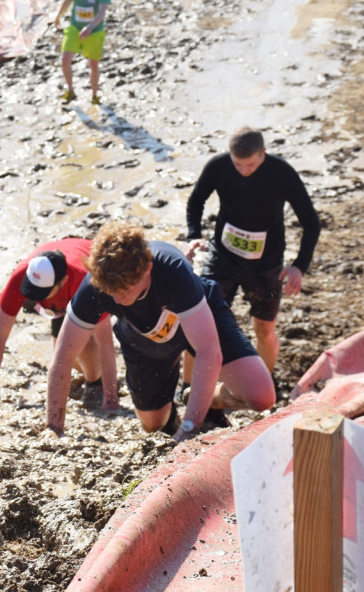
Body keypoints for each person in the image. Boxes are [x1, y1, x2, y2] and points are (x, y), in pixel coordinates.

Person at [45, 222, 275, 442]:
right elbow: (63, 356)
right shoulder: (95, 285)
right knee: (152, 424)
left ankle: (209, 401)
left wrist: (190, 426)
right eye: (111, 292)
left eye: (125, 291)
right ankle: (179, 409)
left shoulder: (172, 270)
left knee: (261, 397)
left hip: (199, 319)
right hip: (145, 335)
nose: (117, 300)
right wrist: (53, 427)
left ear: (148, 269)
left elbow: (208, 350)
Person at [185, 127, 321, 382]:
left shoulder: (281, 173)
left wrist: (299, 266)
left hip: (266, 264)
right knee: (200, 321)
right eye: (238, 164)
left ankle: (265, 383)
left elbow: (311, 223)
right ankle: (188, 386)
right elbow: (195, 201)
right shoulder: (218, 166)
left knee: (264, 328)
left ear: (263, 154)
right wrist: (194, 235)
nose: (243, 171)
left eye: (250, 165)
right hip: (222, 256)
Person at [0, 239, 117, 411]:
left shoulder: (84, 283)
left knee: (80, 343)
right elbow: (0, 334)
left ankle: (94, 384)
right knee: (62, 353)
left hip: (99, 275)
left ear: (63, 281)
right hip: (60, 292)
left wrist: (110, 397)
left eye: (42, 293)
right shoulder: (20, 277)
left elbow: (105, 341)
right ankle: (90, 374)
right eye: (33, 292)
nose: (37, 298)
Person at [54, 0, 111, 105]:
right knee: (65, 58)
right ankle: (71, 90)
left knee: (93, 64)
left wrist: (90, 27)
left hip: (95, 31)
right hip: (74, 28)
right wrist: (58, 16)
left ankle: (94, 95)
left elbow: (102, 11)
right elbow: (68, 0)